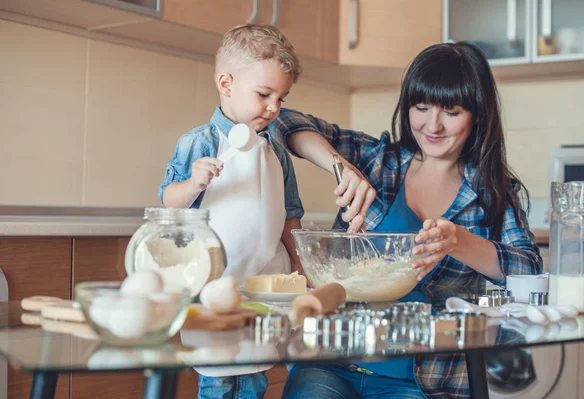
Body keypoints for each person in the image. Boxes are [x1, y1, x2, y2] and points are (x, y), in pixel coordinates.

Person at [270, 42, 543, 398]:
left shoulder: (492, 191)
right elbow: (283, 119)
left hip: (424, 381)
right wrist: (341, 167)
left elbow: (530, 271)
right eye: (421, 107)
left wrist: (458, 241)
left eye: (452, 112)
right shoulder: (379, 161)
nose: (433, 125)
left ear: (478, 115)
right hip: (330, 363)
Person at [158, 24, 304, 399]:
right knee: (218, 376)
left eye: (281, 99)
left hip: (265, 282)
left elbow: (290, 215)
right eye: (264, 94)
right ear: (226, 83)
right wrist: (193, 184)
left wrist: (302, 267)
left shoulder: (276, 151)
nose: (273, 108)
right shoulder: (200, 142)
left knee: (255, 376)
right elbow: (168, 201)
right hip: (213, 285)